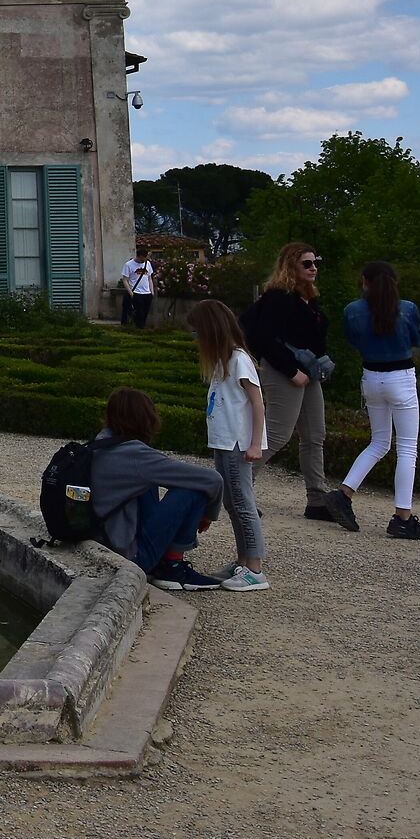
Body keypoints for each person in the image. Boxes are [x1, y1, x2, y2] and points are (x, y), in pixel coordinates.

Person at [242, 241, 344, 528]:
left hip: (308, 373)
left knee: (315, 434)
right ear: (291, 266)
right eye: (307, 264)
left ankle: (317, 498)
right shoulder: (278, 297)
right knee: (277, 433)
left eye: (315, 263)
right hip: (285, 372)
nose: (314, 268)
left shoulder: (307, 297)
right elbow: (262, 337)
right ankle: (240, 488)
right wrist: (290, 370)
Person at [335, 261, 420, 540]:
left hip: (371, 376)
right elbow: (416, 340)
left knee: (378, 442)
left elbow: (353, 341)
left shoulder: (352, 310)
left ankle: (344, 493)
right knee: (406, 449)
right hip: (400, 376)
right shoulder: (407, 308)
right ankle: (403, 517)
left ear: (365, 281)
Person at [88, 387, 225, 590]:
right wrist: (208, 515)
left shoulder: (98, 444)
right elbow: (212, 480)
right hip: (130, 557)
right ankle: (172, 567)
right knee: (193, 489)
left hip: (101, 543)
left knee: (147, 483)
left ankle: (165, 563)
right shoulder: (134, 454)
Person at [189, 299, 269, 591]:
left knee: (243, 503)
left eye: (198, 332)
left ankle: (256, 569)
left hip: (237, 444)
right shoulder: (224, 362)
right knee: (232, 503)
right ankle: (243, 562)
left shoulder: (239, 360)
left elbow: (257, 403)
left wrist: (255, 444)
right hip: (224, 442)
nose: (196, 339)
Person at [119, 244, 156, 328]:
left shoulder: (148, 264)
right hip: (136, 292)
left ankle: (142, 329)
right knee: (138, 314)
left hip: (147, 293)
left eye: (145, 259)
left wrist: (152, 291)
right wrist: (131, 293)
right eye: (141, 259)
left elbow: (149, 278)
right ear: (138, 256)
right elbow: (125, 280)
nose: (143, 261)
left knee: (145, 313)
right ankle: (137, 329)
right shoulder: (129, 265)